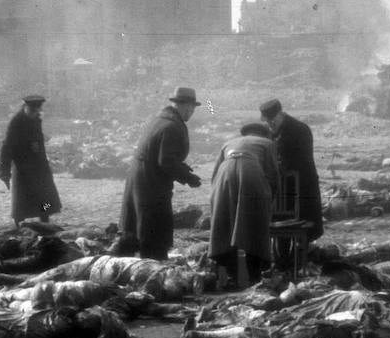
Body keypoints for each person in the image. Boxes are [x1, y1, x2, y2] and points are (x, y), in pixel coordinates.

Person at [119, 87, 203, 260]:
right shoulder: (172, 126)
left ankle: (123, 266)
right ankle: (153, 273)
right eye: (192, 107)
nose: (192, 112)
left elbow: (159, 154)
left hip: (139, 180)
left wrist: (183, 169)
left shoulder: (159, 120)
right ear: (186, 106)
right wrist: (188, 178)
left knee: (135, 232)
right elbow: (166, 161)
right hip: (151, 185)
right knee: (154, 238)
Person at [208, 122, 280, 285]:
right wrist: (269, 203)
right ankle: (253, 276)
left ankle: (228, 276)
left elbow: (214, 176)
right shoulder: (268, 144)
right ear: (264, 134)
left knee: (225, 224)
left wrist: (217, 198)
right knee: (253, 225)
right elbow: (273, 176)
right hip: (250, 172)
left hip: (224, 174)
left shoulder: (228, 143)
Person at [260, 97, 323, 241]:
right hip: (283, 189)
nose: (270, 124)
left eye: (272, 120)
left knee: (304, 227)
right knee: (280, 227)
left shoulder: (299, 129)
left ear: (281, 114)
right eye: (267, 121)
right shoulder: (272, 131)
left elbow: (300, 162)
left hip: (302, 185)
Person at [0, 94, 62, 225]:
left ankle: (45, 217)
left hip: (39, 164)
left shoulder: (36, 118)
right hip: (22, 166)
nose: (35, 113)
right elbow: (7, 146)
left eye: (37, 110)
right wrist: (3, 170)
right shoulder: (16, 122)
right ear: (25, 107)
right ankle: (19, 221)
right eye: (32, 111)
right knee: (22, 198)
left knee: (46, 197)